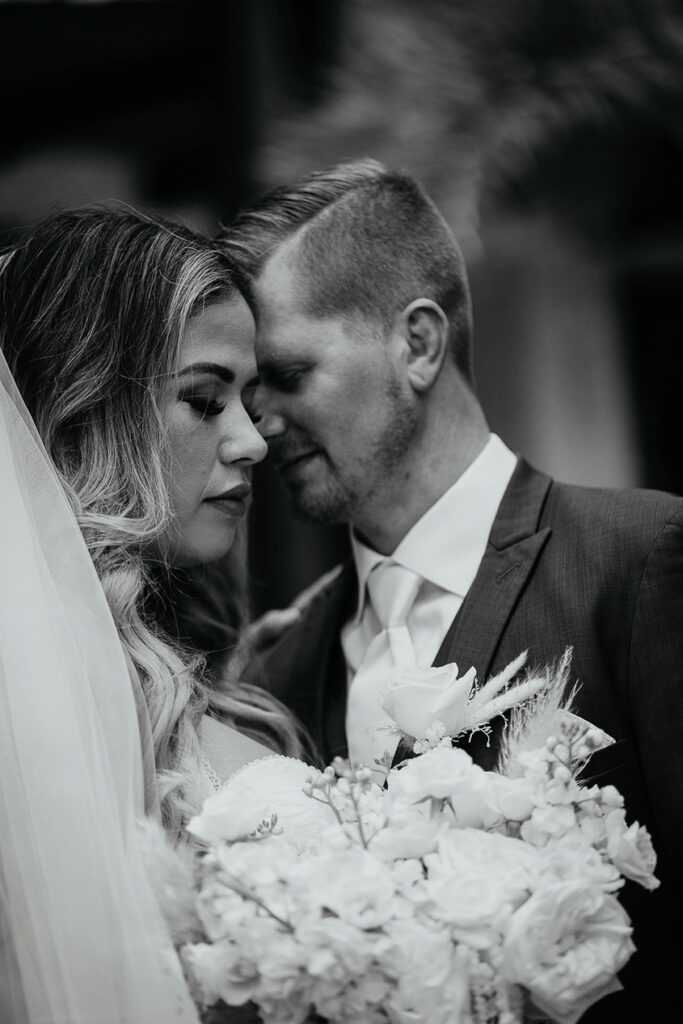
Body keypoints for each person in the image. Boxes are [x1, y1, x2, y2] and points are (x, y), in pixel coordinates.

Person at [223, 158, 683, 1020]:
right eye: (246, 395)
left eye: (286, 377)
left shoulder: (643, 560)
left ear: (419, 343)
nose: (259, 427)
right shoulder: (280, 673)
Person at [0, 208, 303, 1023]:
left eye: (249, 399)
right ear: (83, 411)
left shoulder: (221, 664)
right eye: (204, 401)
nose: (252, 441)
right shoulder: (24, 714)